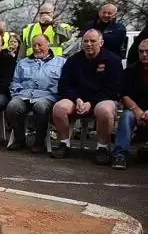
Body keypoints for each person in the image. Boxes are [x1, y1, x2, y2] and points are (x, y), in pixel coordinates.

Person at [51, 29, 123, 162]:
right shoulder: (73, 60)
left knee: (104, 110)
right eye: (86, 41)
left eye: (93, 41)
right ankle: (64, 143)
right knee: (59, 108)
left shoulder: (113, 60)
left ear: (101, 43)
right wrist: (77, 99)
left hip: (103, 99)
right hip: (77, 100)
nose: (89, 44)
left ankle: (102, 147)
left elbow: (114, 88)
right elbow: (64, 86)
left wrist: (91, 102)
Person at [5, 34, 66, 153]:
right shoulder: (22, 62)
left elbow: (63, 84)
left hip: (47, 96)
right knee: (13, 106)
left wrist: (53, 93)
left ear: (48, 45)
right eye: (34, 45)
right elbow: (15, 82)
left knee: (40, 107)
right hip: (24, 95)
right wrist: (16, 93)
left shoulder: (61, 63)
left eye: (40, 45)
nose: (36, 48)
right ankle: (19, 139)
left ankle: (39, 142)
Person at [111, 39, 148, 169]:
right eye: (141, 51)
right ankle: (120, 154)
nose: (144, 54)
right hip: (134, 110)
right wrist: (137, 110)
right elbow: (124, 94)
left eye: (147, 51)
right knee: (126, 117)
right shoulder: (130, 70)